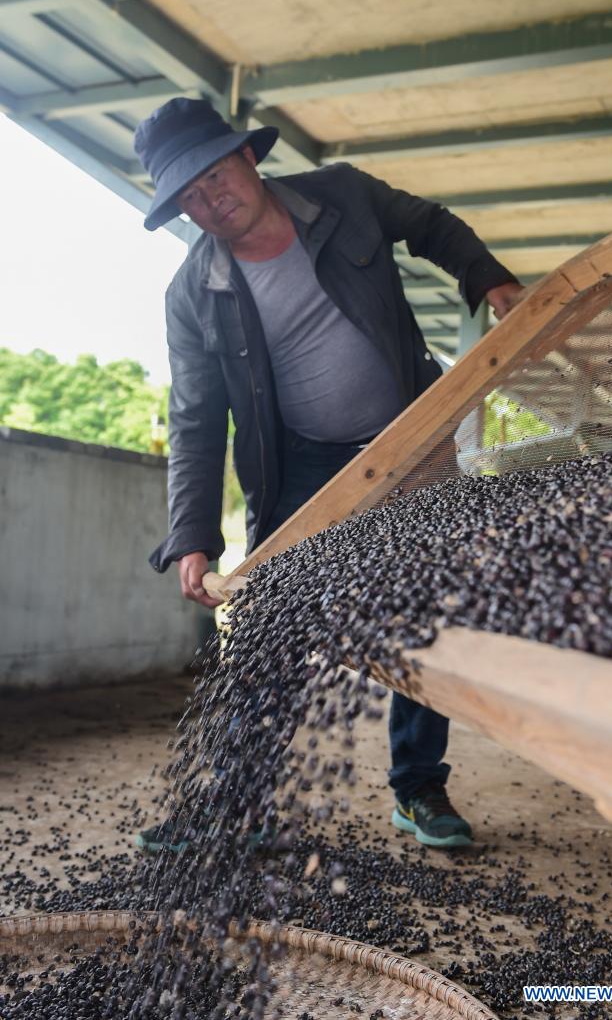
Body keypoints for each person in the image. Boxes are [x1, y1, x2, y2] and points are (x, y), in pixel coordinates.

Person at [133, 98, 523, 852]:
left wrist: (486, 277)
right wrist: (190, 535)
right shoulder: (192, 293)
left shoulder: (340, 195)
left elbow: (429, 224)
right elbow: (194, 418)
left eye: (214, 176)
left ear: (247, 158)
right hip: (299, 461)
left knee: (422, 617)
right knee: (266, 627)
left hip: (412, 431)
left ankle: (417, 788)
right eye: (189, 196)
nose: (210, 201)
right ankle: (236, 802)